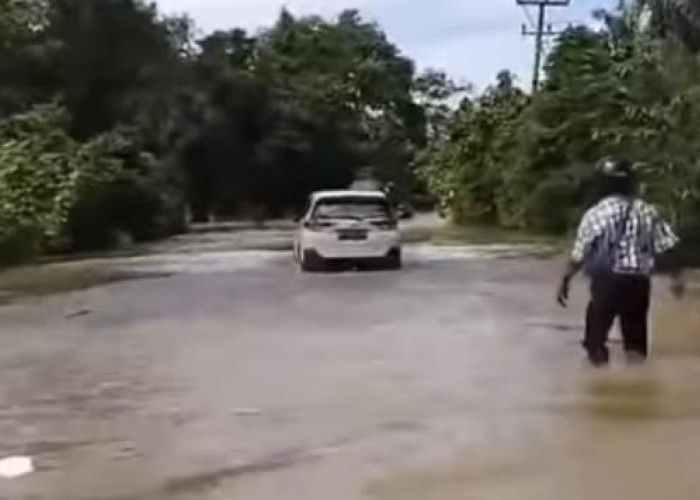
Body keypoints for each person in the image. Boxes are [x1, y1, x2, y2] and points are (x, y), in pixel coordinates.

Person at [557, 157, 686, 366]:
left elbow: (580, 253)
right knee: (635, 344)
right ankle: (637, 384)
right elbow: (666, 247)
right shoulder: (647, 211)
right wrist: (676, 279)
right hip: (638, 282)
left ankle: (600, 384)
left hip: (607, 282)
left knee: (595, 342)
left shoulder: (596, 213)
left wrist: (565, 281)